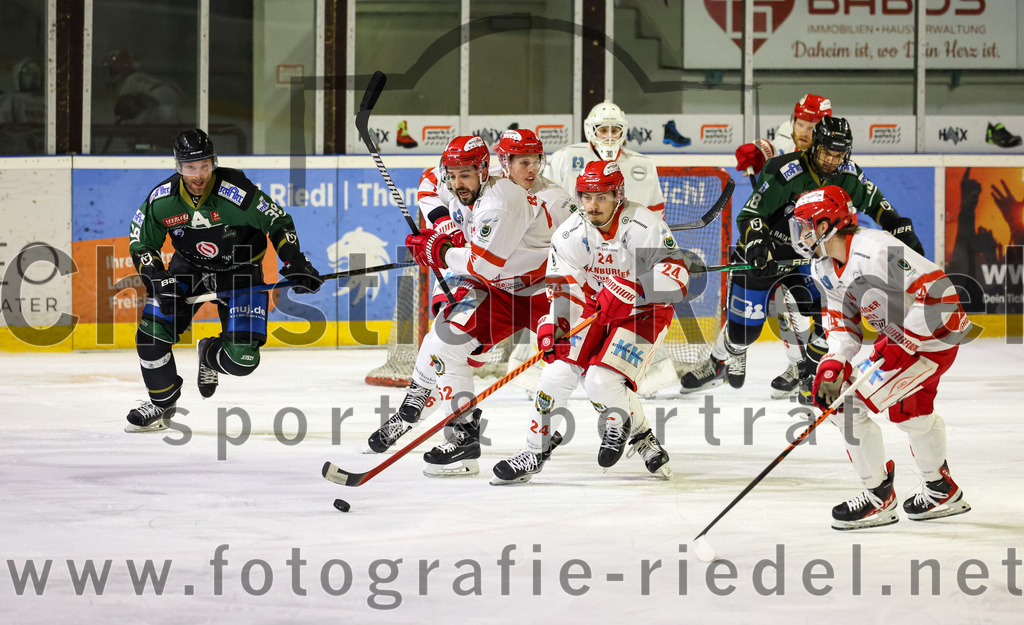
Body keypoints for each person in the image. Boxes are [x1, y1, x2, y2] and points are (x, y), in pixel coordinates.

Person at [681, 116, 926, 397]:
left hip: (809, 262)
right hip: (766, 256)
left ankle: (810, 373)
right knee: (742, 334)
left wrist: (901, 230)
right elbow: (750, 215)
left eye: (839, 155)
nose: (832, 161)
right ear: (815, 146)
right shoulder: (785, 171)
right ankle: (720, 361)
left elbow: (880, 207)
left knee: (829, 322)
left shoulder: (850, 175)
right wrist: (759, 248)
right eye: (826, 153)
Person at [366, 136, 556, 477]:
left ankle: (640, 434)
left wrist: (437, 251)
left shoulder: (503, 200)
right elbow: (428, 180)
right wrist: (444, 227)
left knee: (585, 369)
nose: (456, 183)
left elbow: (483, 264)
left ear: (484, 170)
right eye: (452, 175)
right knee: (443, 340)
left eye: (464, 175)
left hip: (548, 291)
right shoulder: (467, 180)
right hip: (500, 291)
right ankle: (462, 436)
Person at [491, 161, 687, 484]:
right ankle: (533, 451)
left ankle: (636, 434)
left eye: (601, 197)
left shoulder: (644, 225)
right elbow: (563, 288)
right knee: (556, 372)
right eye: (586, 196)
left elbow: (679, 281)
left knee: (600, 380)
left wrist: (636, 290)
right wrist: (555, 325)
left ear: (618, 196)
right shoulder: (570, 233)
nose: (592, 205)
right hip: (597, 306)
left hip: (646, 313)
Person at [790, 186, 971, 530]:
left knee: (846, 408)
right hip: (906, 343)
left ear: (827, 224)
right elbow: (841, 322)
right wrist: (834, 362)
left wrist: (901, 343)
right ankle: (940, 491)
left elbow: (942, 296)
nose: (800, 234)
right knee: (911, 414)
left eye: (805, 225)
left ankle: (878, 498)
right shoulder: (823, 266)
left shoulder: (876, 250)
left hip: (931, 340)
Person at [124, 129, 323, 432]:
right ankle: (162, 406)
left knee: (242, 360)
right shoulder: (162, 200)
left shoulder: (237, 192)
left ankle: (208, 353)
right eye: (191, 167)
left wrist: (295, 261)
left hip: (241, 272)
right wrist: (157, 278)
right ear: (178, 167)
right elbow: (141, 243)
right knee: (151, 338)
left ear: (213, 162)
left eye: (204, 165)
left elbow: (277, 221)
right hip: (188, 268)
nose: (199, 174)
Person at [735, 94, 832, 398]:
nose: (803, 131)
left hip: (809, 245)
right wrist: (759, 151)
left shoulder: (830, 153)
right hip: (774, 241)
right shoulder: (784, 135)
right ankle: (794, 365)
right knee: (774, 304)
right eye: (800, 123)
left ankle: (809, 367)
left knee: (808, 308)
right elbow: (772, 150)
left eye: (812, 126)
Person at [545, 101, 665, 214]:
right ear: (591, 130)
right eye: (603, 130)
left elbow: (655, 209)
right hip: (576, 233)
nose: (609, 136)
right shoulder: (564, 157)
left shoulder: (645, 165)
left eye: (614, 130)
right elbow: (546, 198)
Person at [735, 94, 832, 178]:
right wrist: (760, 153)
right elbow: (776, 149)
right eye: (800, 125)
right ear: (793, 123)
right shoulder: (786, 130)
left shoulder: (834, 154)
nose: (803, 133)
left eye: (811, 128)